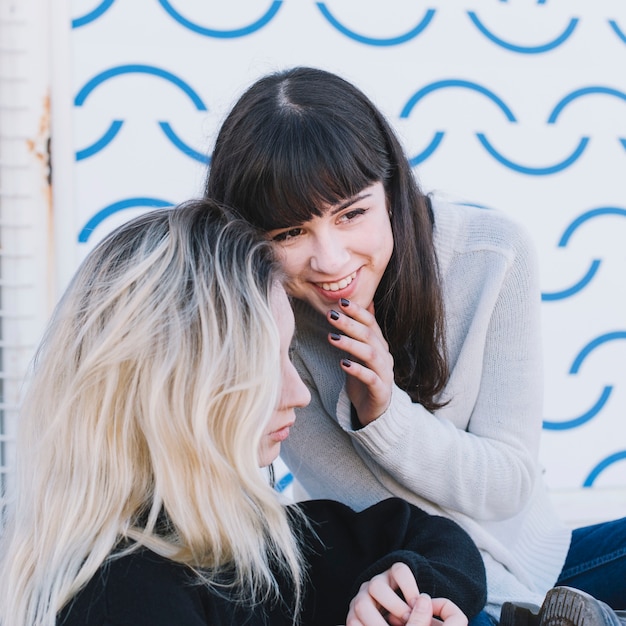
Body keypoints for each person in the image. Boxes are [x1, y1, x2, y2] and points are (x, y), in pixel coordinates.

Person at [204, 66, 626, 625]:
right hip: (413, 590)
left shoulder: (492, 256)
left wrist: (387, 413)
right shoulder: (258, 316)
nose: (330, 261)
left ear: (393, 191)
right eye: (289, 233)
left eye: (352, 213)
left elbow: (508, 485)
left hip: (544, 568)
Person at [0, 198, 486, 626]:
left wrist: (402, 591)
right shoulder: (121, 597)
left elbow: (438, 541)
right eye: (267, 362)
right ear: (178, 383)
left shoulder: (239, 540)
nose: (298, 393)